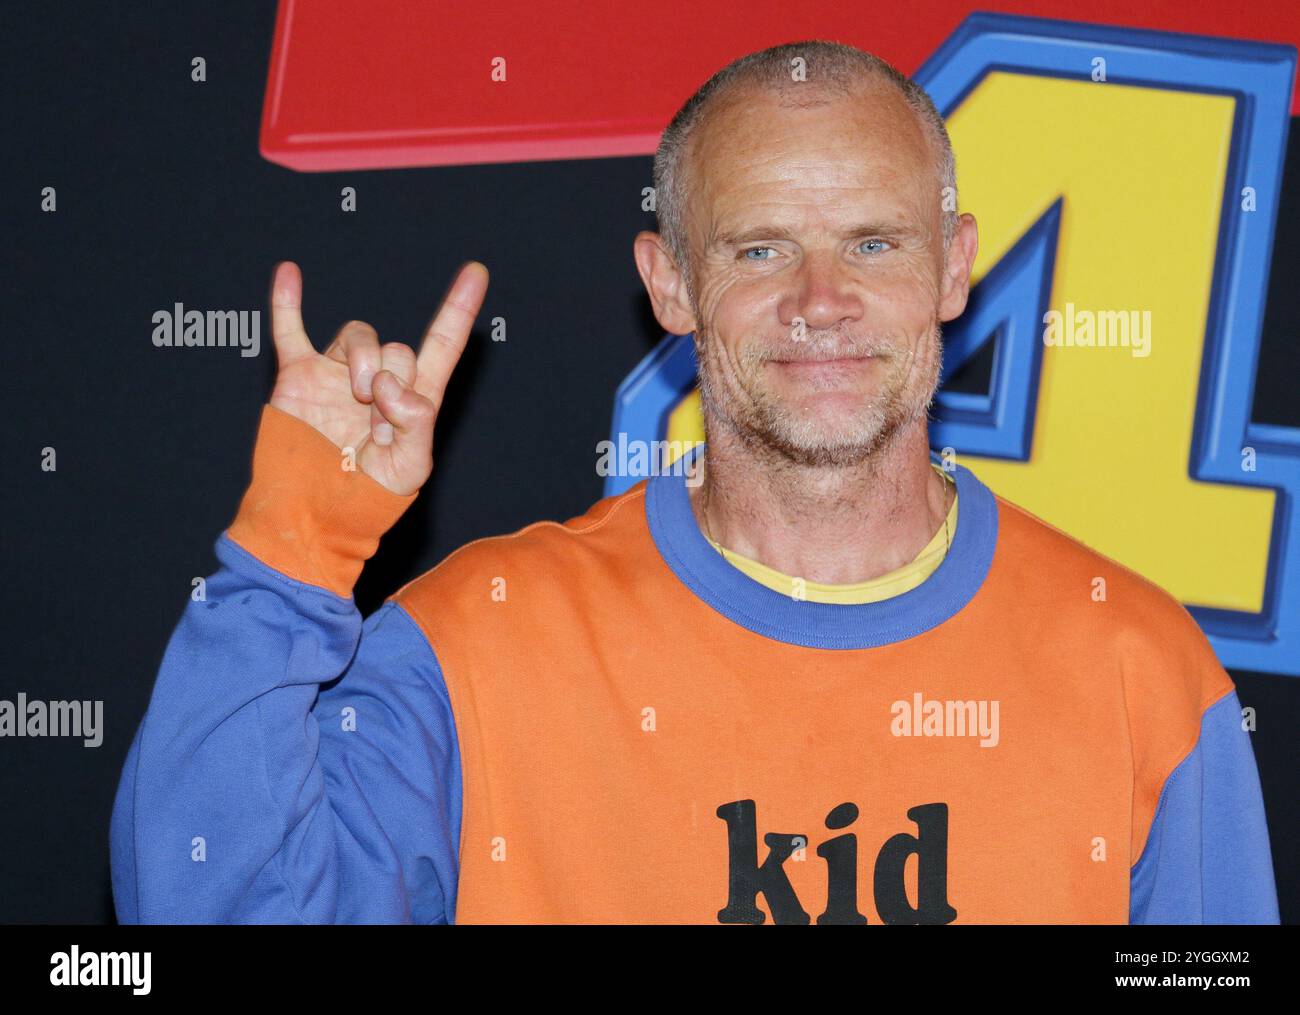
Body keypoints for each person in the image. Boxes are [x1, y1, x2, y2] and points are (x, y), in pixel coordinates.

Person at [110, 40, 1279, 924]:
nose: (819, 299)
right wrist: (289, 556)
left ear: (954, 267)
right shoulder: (474, 647)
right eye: (758, 248)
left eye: (872, 243)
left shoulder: (1138, 669)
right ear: (668, 283)